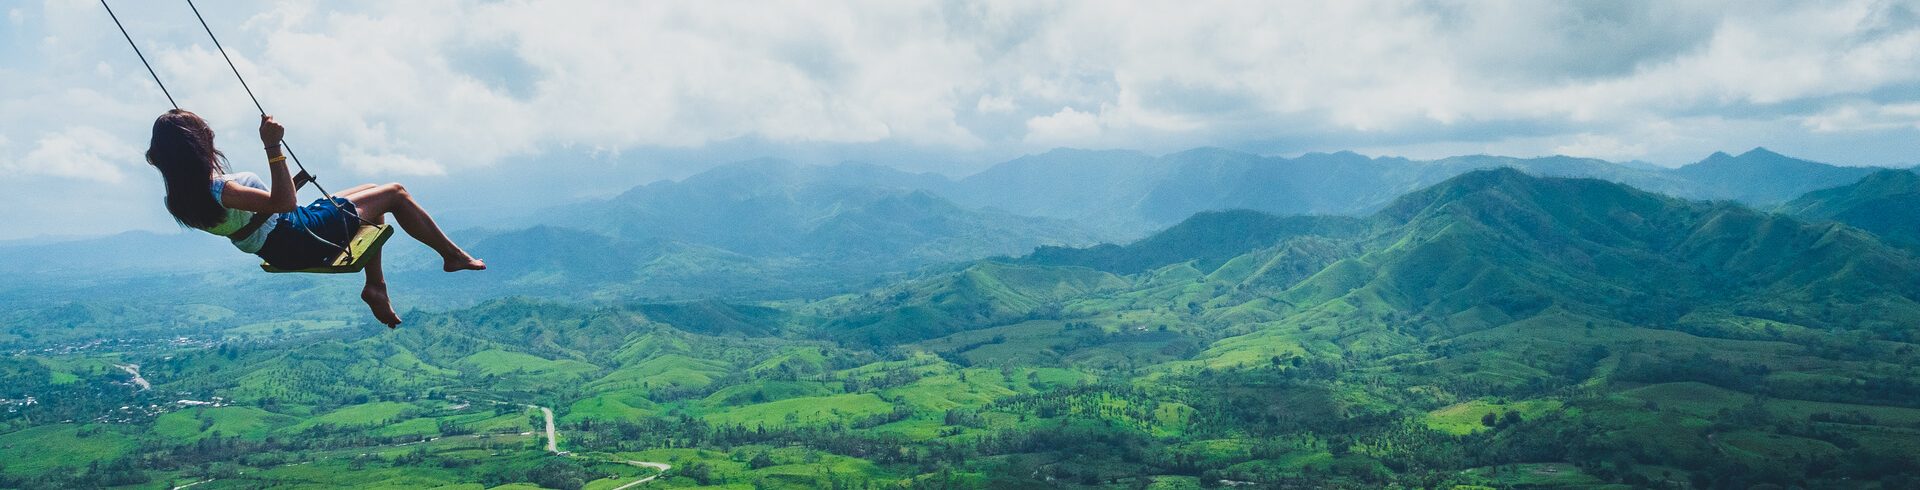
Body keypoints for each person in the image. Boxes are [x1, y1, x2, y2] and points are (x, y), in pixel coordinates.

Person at [146, 109, 483, 327]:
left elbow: (248, 218)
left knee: (371, 191)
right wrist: (272, 147)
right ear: (196, 147)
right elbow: (282, 204)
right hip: (300, 235)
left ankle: (376, 287)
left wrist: (289, 186)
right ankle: (451, 256)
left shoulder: (180, 200)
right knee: (394, 193)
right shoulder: (220, 188)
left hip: (280, 246)